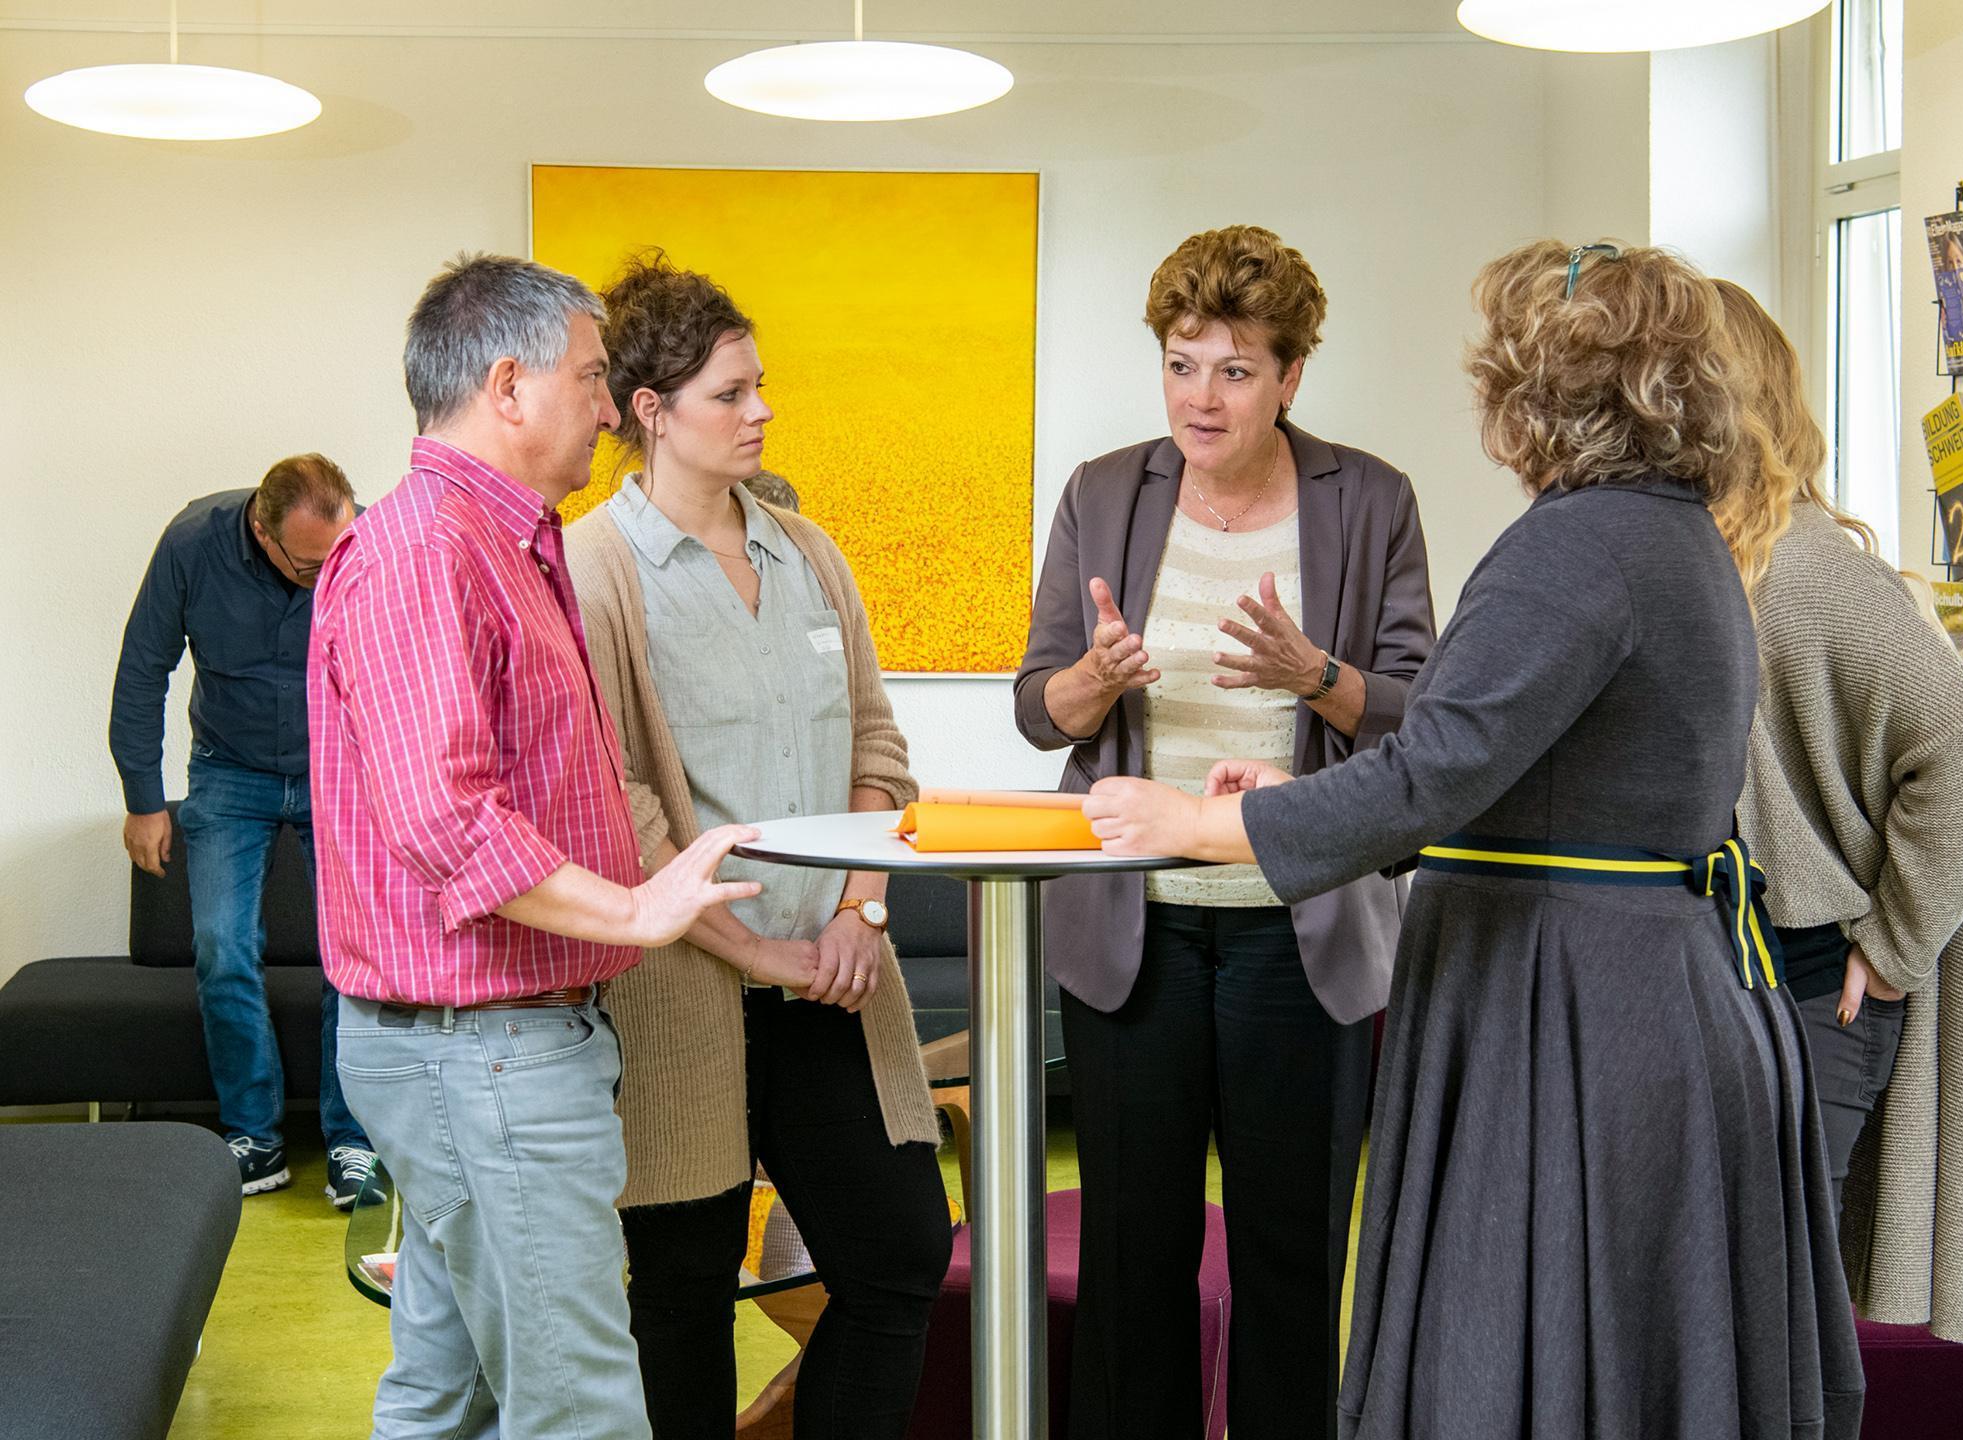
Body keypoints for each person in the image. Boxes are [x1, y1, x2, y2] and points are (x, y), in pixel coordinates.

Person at [1079, 240, 1865, 1439]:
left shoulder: (1577, 543)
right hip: (1641, 987)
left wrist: (1201, 818)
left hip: (1573, 1007)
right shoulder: (1673, 532)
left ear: (1536, 385)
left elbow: (1431, 769)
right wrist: (1293, 794)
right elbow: (1524, 776)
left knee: (1518, 1355)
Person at [310, 253, 761, 1440]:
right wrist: (635, 911)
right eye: (593, 377)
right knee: (579, 1407)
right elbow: (445, 817)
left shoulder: (504, 540)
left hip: (493, 1048)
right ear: (509, 386)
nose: (611, 409)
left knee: (446, 1393)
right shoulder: (427, 550)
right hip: (484, 1052)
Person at [1013, 224, 1433, 1438]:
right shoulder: (1104, 491)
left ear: (1292, 376)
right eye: (1182, 363)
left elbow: (1423, 716)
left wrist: (1317, 676)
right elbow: (1040, 710)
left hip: (1298, 932)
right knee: (1132, 1262)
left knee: (1290, 1265)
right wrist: (1093, 680)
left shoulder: (1371, 500)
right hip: (1132, 932)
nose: (1202, 397)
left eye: (1236, 370)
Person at [565, 252, 950, 1440]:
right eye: (730, 393)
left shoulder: (809, 554)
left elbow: (878, 747)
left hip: (834, 978)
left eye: (759, 386)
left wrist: (860, 913)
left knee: (900, 1255)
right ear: (649, 411)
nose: (761, 410)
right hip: (687, 991)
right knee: (682, 1297)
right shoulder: (596, 569)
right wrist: (757, 954)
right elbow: (620, 803)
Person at [1716, 280, 1963, 1342]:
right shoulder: (1719, 558)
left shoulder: (1801, 564)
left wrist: (1893, 949)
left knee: (1774, 1333)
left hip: (1808, 996)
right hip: (1738, 989)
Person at [110, 453, 374, 1202]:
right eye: (308, 564)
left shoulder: (369, 541)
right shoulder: (191, 544)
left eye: (334, 558)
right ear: (262, 529)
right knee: (222, 946)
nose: (323, 577)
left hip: (337, 769)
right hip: (229, 771)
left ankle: (354, 1140)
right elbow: (143, 668)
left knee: (353, 953)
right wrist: (143, 799)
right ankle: (253, 1136)